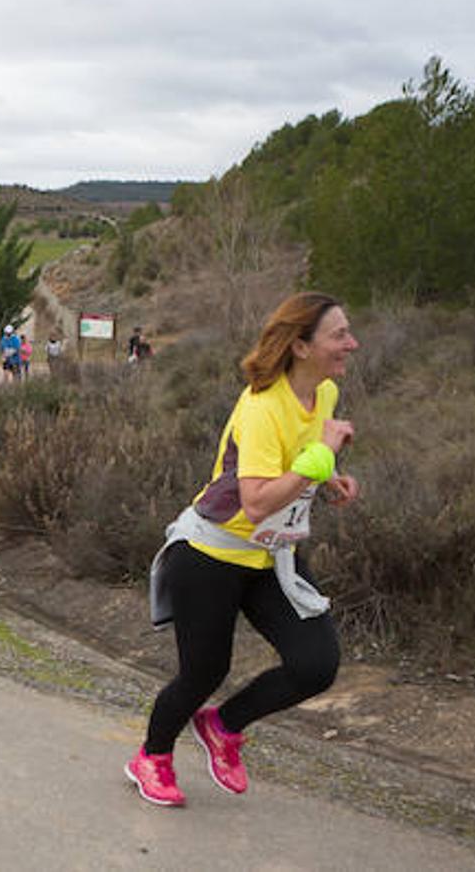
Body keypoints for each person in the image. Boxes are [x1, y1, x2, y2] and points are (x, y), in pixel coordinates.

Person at [125, 292, 360, 807]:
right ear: (301, 345)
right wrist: (320, 458)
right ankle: (152, 757)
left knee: (316, 663)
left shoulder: (322, 395)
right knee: (204, 672)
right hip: (211, 556)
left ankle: (224, 726)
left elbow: (295, 468)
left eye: (348, 333)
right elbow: (254, 502)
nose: (351, 343)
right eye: (339, 335)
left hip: (271, 557)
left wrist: (330, 481)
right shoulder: (261, 407)